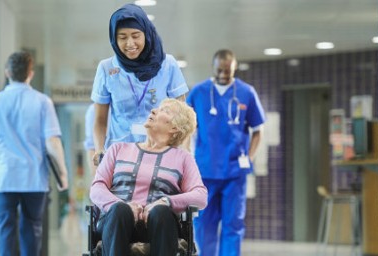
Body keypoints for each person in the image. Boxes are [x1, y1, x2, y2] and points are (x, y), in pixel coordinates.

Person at [0, 51, 69, 256]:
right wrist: (63, 175)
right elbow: (53, 142)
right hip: (33, 177)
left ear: (7, 72)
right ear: (31, 73)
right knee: (32, 228)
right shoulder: (43, 102)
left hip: (4, 175)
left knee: (5, 228)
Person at [90, 98, 208, 256]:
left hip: (159, 225)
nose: (154, 111)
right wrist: (123, 205)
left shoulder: (183, 158)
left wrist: (166, 201)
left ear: (175, 128)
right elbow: (96, 189)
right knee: (120, 210)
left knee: (161, 212)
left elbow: (201, 197)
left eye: (164, 110)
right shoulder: (117, 149)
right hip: (117, 222)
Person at [187, 49, 266, 256]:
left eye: (227, 71)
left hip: (234, 172)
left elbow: (258, 130)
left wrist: (249, 157)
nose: (223, 75)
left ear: (235, 68)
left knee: (233, 224)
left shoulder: (247, 92)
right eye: (219, 70)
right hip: (205, 171)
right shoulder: (198, 92)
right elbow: (186, 129)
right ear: (213, 68)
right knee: (204, 224)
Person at [91, 3, 189, 166]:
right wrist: (99, 149)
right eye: (122, 37)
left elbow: (182, 118)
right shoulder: (107, 69)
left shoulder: (168, 65)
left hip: (161, 156)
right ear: (114, 39)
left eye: (136, 35)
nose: (130, 44)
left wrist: (184, 151)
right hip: (121, 156)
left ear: (146, 34)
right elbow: (100, 119)